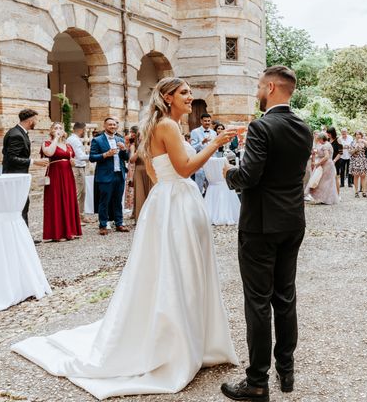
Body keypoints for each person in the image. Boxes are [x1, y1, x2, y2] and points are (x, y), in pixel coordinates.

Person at [13, 78, 239, 398]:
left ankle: (186, 336)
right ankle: (181, 341)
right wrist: (215, 144)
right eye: (184, 93)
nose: (191, 97)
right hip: (177, 202)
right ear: (167, 97)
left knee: (170, 270)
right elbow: (186, 168)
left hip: (167, 200)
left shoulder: (158, 126)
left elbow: (157, 172)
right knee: (179, 270)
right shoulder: (169, 127)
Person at [222, 66, 312, 401]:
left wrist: (231, 172)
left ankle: (257, 381)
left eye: (260, 86)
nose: (257, 92)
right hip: (292, 222)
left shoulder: (261, 126)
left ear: (271, 87)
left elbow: (251, 176)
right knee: (285, 297)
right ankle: (286, 371)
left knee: (258, 301)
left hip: (260, 226)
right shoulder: (304, 127)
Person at [2, 109, 49, 227]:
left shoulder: (17, 132)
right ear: (30, 121)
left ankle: (25, 238)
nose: (36, 122)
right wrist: (34, 161)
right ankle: (22, 240)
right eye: (36, 120)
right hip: (14, 178)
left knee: (24, 206)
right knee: (20, 207)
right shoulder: (16, 135)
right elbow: (11, 158)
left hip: (18, 176)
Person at [40, 122, 82, 241]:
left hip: (68, 175)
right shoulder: (47, 143)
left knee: (68, 200)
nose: (58, 129)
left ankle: (70, 231)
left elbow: (72, 158)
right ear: (51, 130)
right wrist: (56, 138)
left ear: (64, 131)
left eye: (60, 128)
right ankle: (57, 233)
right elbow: (49, 153)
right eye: (56, 128)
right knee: (56, 201)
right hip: (55, 175)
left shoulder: (68, 146)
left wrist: (72, 162)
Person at [89, 117, 130, 236]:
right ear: (105, 126)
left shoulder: (120, 138)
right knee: (104, 201)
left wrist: (123, 150)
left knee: (118, 200)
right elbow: (92, 157)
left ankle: (119, 223)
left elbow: (126, 158)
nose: (113, 126)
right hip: (105, 175)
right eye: (110, 125)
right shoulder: (97, 140)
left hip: (119, 174)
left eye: (114, 124)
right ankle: (103, 225)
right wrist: (106, 154)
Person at [305, 132, 339, 205]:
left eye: (319, 139)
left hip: (327, 165)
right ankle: (324, 199)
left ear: (321, 138)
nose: (318, 141)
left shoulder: (326, 145)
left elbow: (326, 156)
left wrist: (318, 163)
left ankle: (326, 199)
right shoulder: (325, 144)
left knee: (325, 182)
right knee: (324, 182)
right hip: (325, 165)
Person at [66, 122, 90, 224]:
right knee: (78, 193)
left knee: (82, 193)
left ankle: (81, 216)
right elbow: (80, 156)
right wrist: (97, 156)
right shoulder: (74, 140)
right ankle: (75, 218)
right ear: (82, 129)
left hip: (80, 167)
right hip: (77, 168)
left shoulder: (74, 139)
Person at [129, 131, 153, 221]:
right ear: (138, 137)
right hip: (139, 172)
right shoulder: (134, 146)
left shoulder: (152, 145)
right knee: (140, 195)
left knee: (151, 194)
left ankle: (151, 218)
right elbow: (131, 160)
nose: (142, 138)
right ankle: (140, 218)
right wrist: (138, 151)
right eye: (141, 136)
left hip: (150, 171)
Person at [189, 113, 216, 194]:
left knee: (211, 185)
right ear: (201, 121)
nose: (207, 122)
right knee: (199, 186)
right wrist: (202, 142)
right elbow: (192, 148)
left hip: (211, 162)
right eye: (205, 121)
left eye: (209, 121)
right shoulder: (195, 132)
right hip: (200, 163)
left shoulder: (213, 133)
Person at [349, 131, 367, 198]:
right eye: (356, 134)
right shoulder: (352, 142)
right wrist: (355, 149)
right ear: (355, 135)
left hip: (363, 160)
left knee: (363, 175)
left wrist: (364, 141)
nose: (358, 136)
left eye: (359, 134)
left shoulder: (364, 141)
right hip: (355, 160)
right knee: (356, 176)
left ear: (361, 135)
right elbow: (350, 152)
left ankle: (364, 192)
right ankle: (356, 192)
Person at [124, 126, 139, 215]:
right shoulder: (131, 143)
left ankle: (135, 209)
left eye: (132, 132)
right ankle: (132, 209)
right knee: (130, 186)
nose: (131, 134)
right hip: (132, 166)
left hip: (137, 165)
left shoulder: (138, 143)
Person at [326, 127, 342, 197]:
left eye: (329, 133)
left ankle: (337, 195)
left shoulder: (338, 140)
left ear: (333, 133)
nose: (328, 135)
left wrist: (334, 160)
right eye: (327, 133)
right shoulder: (328, 140)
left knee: (336, 177)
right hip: (328, 161)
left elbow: (340, 153)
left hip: (336, 161)